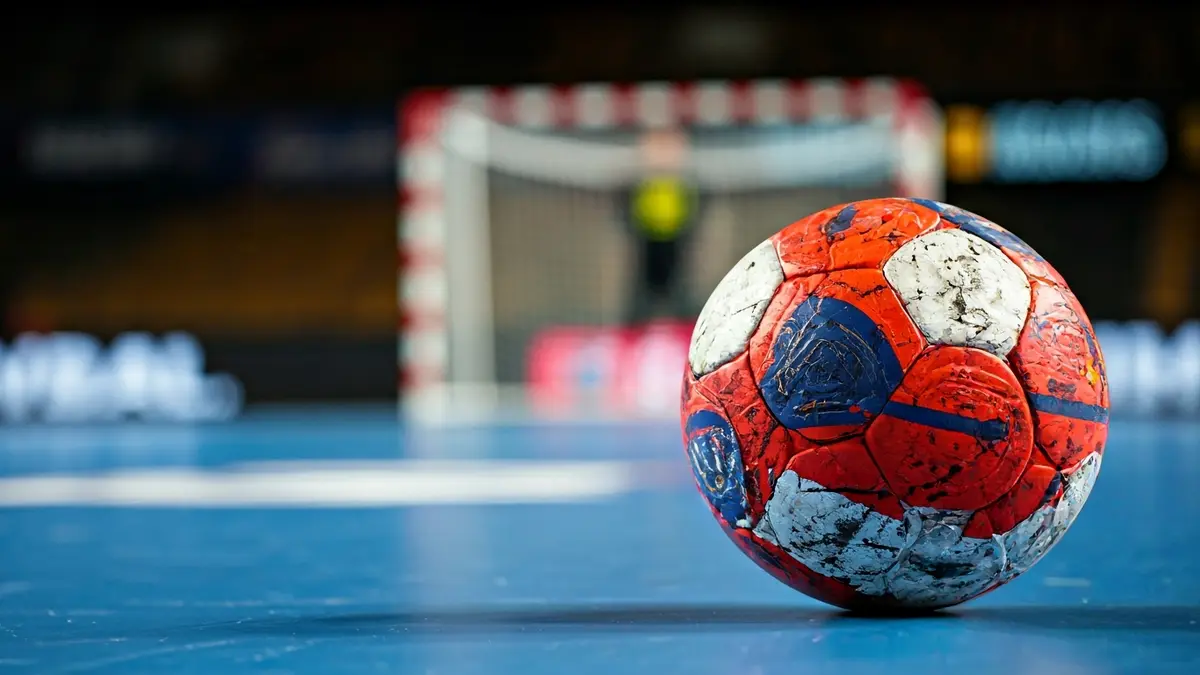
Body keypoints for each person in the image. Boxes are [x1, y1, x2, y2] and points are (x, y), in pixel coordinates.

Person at [617, 128, 705, 324]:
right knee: (643, 294)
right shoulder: (639, 180)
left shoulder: (686, 181)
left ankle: (687, 332)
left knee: (680, 292)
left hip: (677, 242)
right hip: (646, 241)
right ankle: (634, 333)